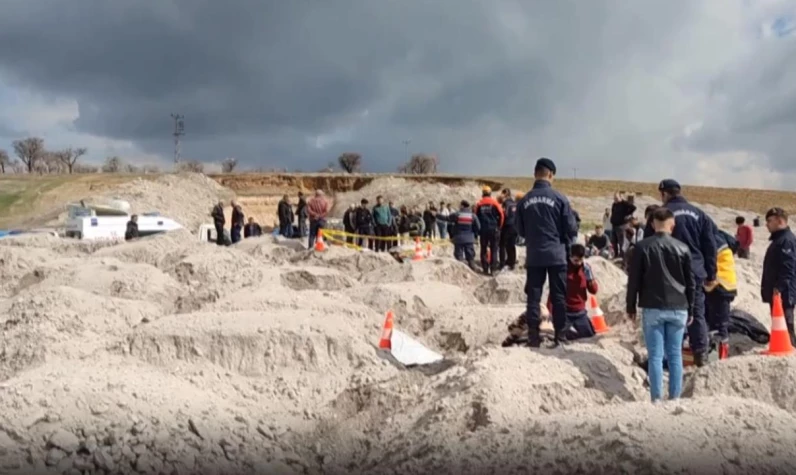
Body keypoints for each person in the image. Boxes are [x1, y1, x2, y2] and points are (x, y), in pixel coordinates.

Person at [626, 207, 694, 402]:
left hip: (652, 306)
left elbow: (634, 281)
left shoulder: (642, 247)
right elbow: (691, 283)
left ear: (652, 223)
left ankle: (656, 398)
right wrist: (692, 307)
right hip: (679, 306)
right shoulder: (683, 248)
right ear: (672, 224)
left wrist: (631, 306)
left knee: (655, 355)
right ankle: (675, 397)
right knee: (675, 355)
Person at [516, 157, 578, 347]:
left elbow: (519, 229)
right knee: (559, 296)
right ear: (551, 175)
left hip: (535, 254)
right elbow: (571, 228)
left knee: (533, 297)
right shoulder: (559, 198)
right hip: (556, 254)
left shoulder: (524, 200)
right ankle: (560, 336)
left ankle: (533, 337)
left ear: (535, 173)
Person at [657, 179, 717, 367]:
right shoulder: (699, 214)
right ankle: (701, 356)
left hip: (670, 270)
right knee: (697, 313)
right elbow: (710, 245)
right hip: (695, 270)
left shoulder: (664, 215)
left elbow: (653, 244)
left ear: (664, 194)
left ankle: (667, 356)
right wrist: (711, 274)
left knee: (668, 312)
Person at [546, 243, 598, 341]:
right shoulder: (563, 270)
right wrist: (550, 311)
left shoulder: (585, 269)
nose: (579, 263)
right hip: (565, 312)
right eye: (576, 260)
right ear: (569, 258)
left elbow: (594, 291)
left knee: (589, 335)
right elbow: (554, 291)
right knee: (558, 335)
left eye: (581, 260)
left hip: (580, 312)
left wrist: (590, 279)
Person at [761, 207, 796, 346]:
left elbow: (788, 267)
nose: (767, 224)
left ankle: (790, 349)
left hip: (784, 292)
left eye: (770, 221)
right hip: (778, 291)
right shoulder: (779, 240)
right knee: (779, 322)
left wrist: (779, 288)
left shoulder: (786, 241)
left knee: (786, 324)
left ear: (780, 221)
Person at [705, 229, 738, 359]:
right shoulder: (721, 238)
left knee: (718, 326)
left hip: (719, 285)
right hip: (726, 285)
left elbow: (709, 264)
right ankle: (719, 355)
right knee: (719, 324)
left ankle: (718, 358)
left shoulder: (711, 241)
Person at [437, 200, 480, 269]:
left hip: (458, 238)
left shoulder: (457, 214)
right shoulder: (473, 215)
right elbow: (478, 227)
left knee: (459, 257)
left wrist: (437, 215)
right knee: (470, 257)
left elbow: (446, 218)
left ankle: (462, 271)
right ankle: (472, 270)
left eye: (460, 205)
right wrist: (473, 235)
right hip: (469, 239)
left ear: (462, 206)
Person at [474, 186, 505, 275]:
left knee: (483, 249)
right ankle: (493, 269)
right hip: (494, 229)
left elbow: (476, 217)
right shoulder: (495, 203)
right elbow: (501, 216)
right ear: (490, 193)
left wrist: (478, 229)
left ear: (483, 193)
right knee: (494, 249)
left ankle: (485, 268)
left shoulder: (479, 204)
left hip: (483, 230)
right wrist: (499, 227)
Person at [610, 193, 636, 258]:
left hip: (621, 225)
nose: (615, 199)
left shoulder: (624, 204)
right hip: (614, 225)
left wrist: (627, 214)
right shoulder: (614, 204)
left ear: (620, 197)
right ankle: (615, 254)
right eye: (614, 198)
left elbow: (633, 207)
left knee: (621, 241)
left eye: (616, 198)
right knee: (614, 241)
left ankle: (622, 256)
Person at [499, 188, 518, 271]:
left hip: (507, 226)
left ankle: (502, 263)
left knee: (502, 244)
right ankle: (512, 261)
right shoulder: (514, 203)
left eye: (502, 194)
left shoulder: (505, 203)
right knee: (511, 244)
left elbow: (504, 215)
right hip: (515, 226)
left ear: (505, 194)